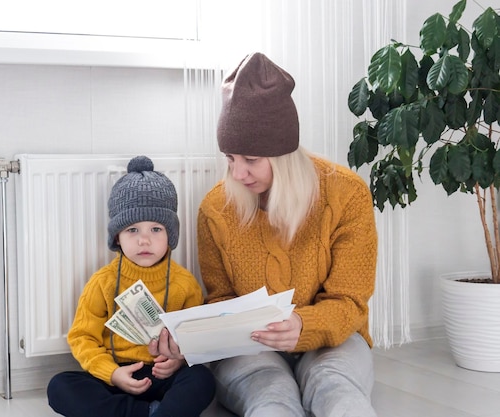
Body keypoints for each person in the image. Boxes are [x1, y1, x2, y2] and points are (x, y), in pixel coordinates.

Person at [150, 52, 378, 417]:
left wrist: (303, 324)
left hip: (333, 337)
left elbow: (350, 301)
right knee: (270, 397)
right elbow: (221, 299)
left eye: (251, 159)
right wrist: (190, 341)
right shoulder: (216, 208)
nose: (238, 173)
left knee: (335, 389)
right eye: (230, 158)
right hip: (248, 345)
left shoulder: (347, 194)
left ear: (284, 153)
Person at [47, 155, 216, 417]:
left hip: (163, 376)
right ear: (117, 236)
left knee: (202, 380)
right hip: (117, 375)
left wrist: (177, 360)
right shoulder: (103, 282)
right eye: (133, 230)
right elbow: (83, 337)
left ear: (170, 235)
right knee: (60, 386)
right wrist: (112, 373)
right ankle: (146, 413)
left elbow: (193, 339)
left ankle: (148, 411)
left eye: (156, 229)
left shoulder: (185, 284)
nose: (144, 240)